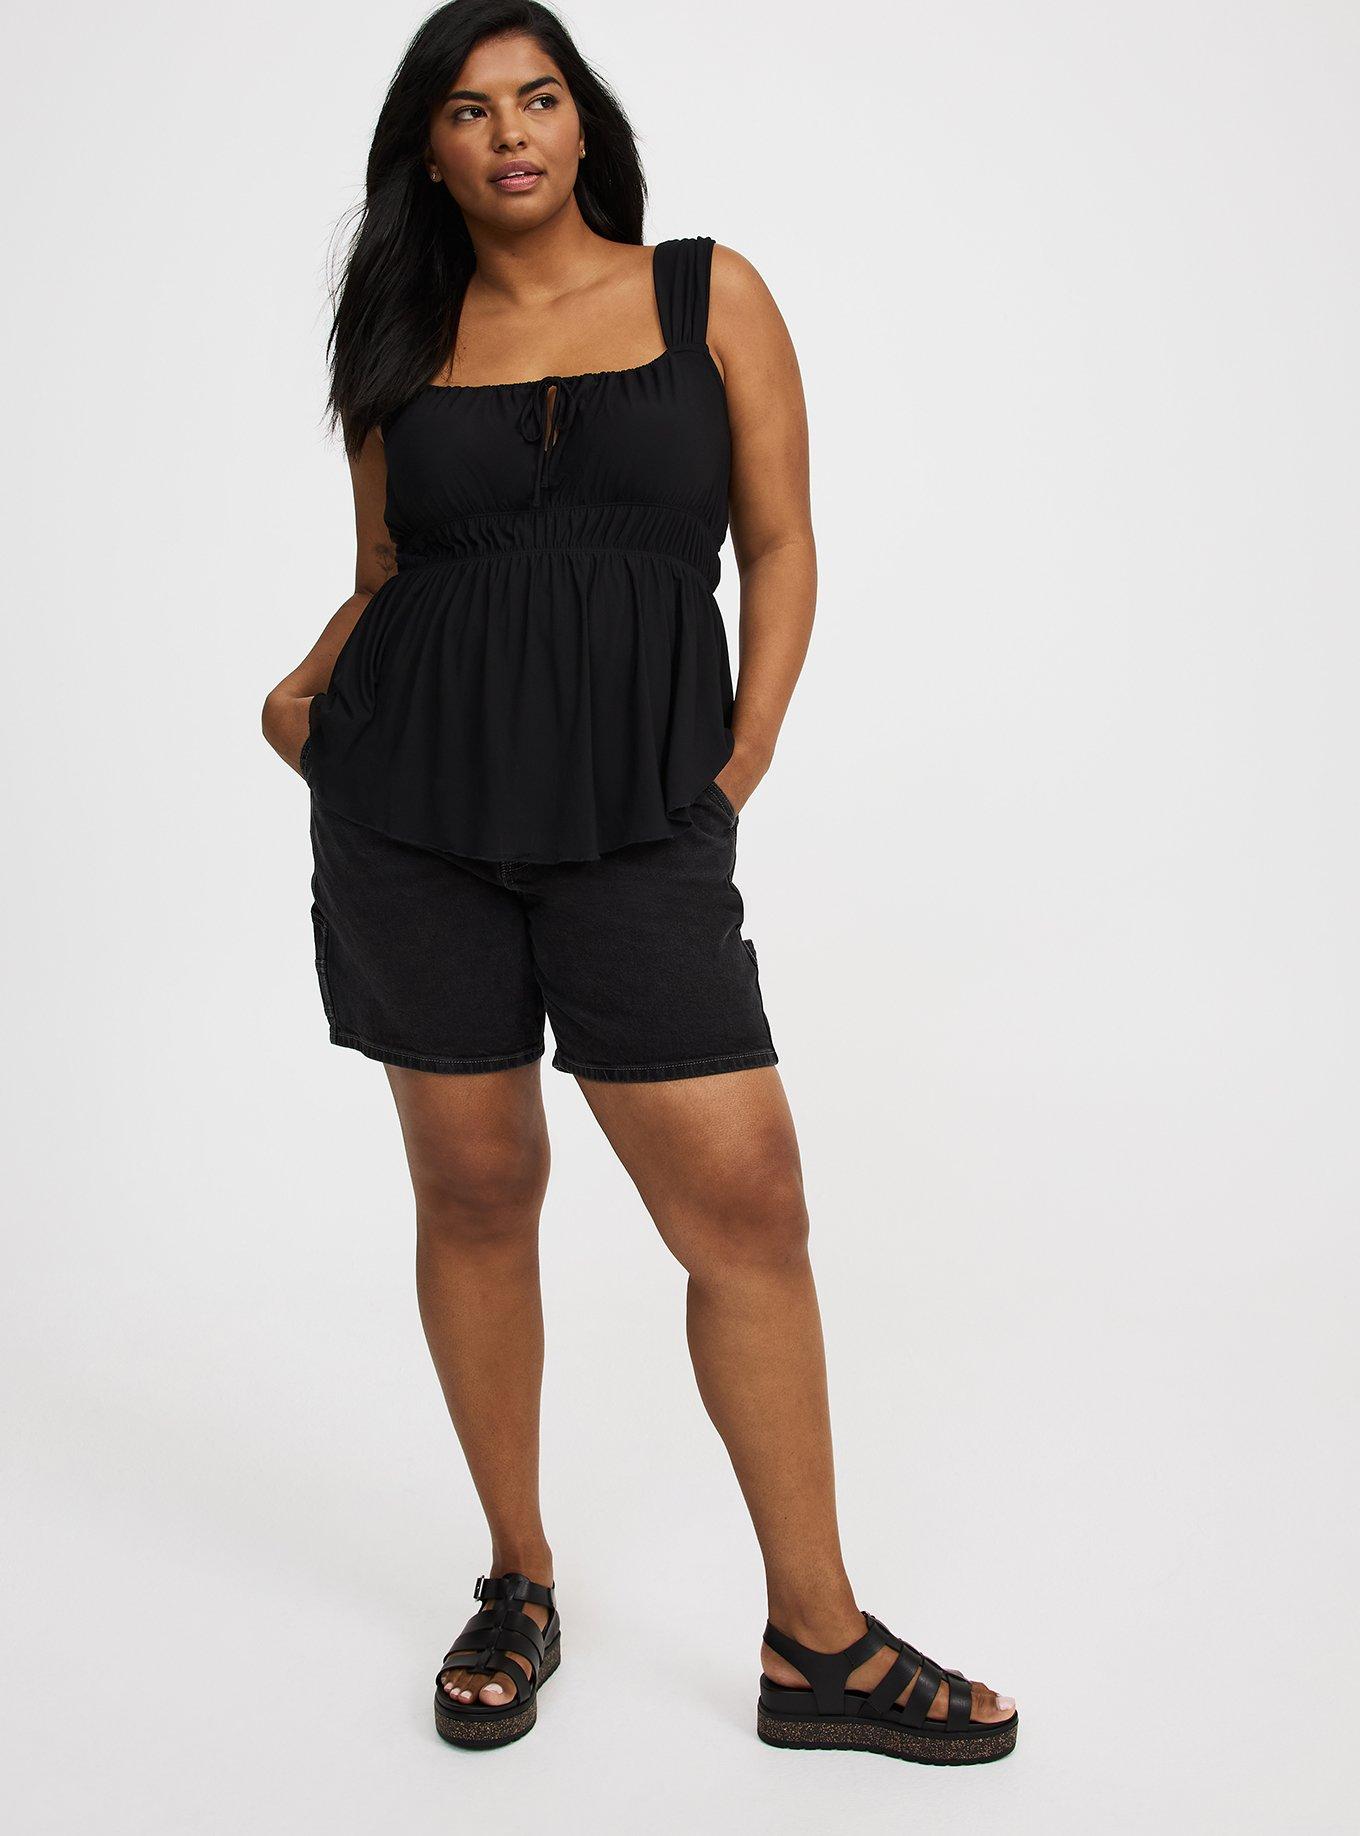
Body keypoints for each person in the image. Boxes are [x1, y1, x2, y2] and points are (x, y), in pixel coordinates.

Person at [261, 0, 1017, 1766]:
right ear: (430, 149)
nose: (510, 132)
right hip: (412, 817)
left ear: (583, 124)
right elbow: (385, 571)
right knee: (476, 1188)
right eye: (470, 110)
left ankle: (816, 1636)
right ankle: (518, 1581)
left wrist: (738, 762)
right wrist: (298, 697)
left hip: (636, 817)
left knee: (745, 1204)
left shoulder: (706, 295)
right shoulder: (398, 338)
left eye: (537, 98)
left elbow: (780, 540)